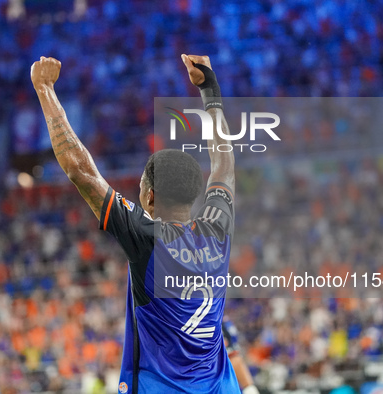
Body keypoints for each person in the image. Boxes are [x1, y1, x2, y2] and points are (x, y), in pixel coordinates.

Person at [31, 53, 239, 393]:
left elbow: (79, 170)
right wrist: (210, 90)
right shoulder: (218, 227)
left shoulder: (147, 238)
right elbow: (224, 164)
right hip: (220, 386)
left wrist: (44, 89)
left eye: (141, 186)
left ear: (151, 197)